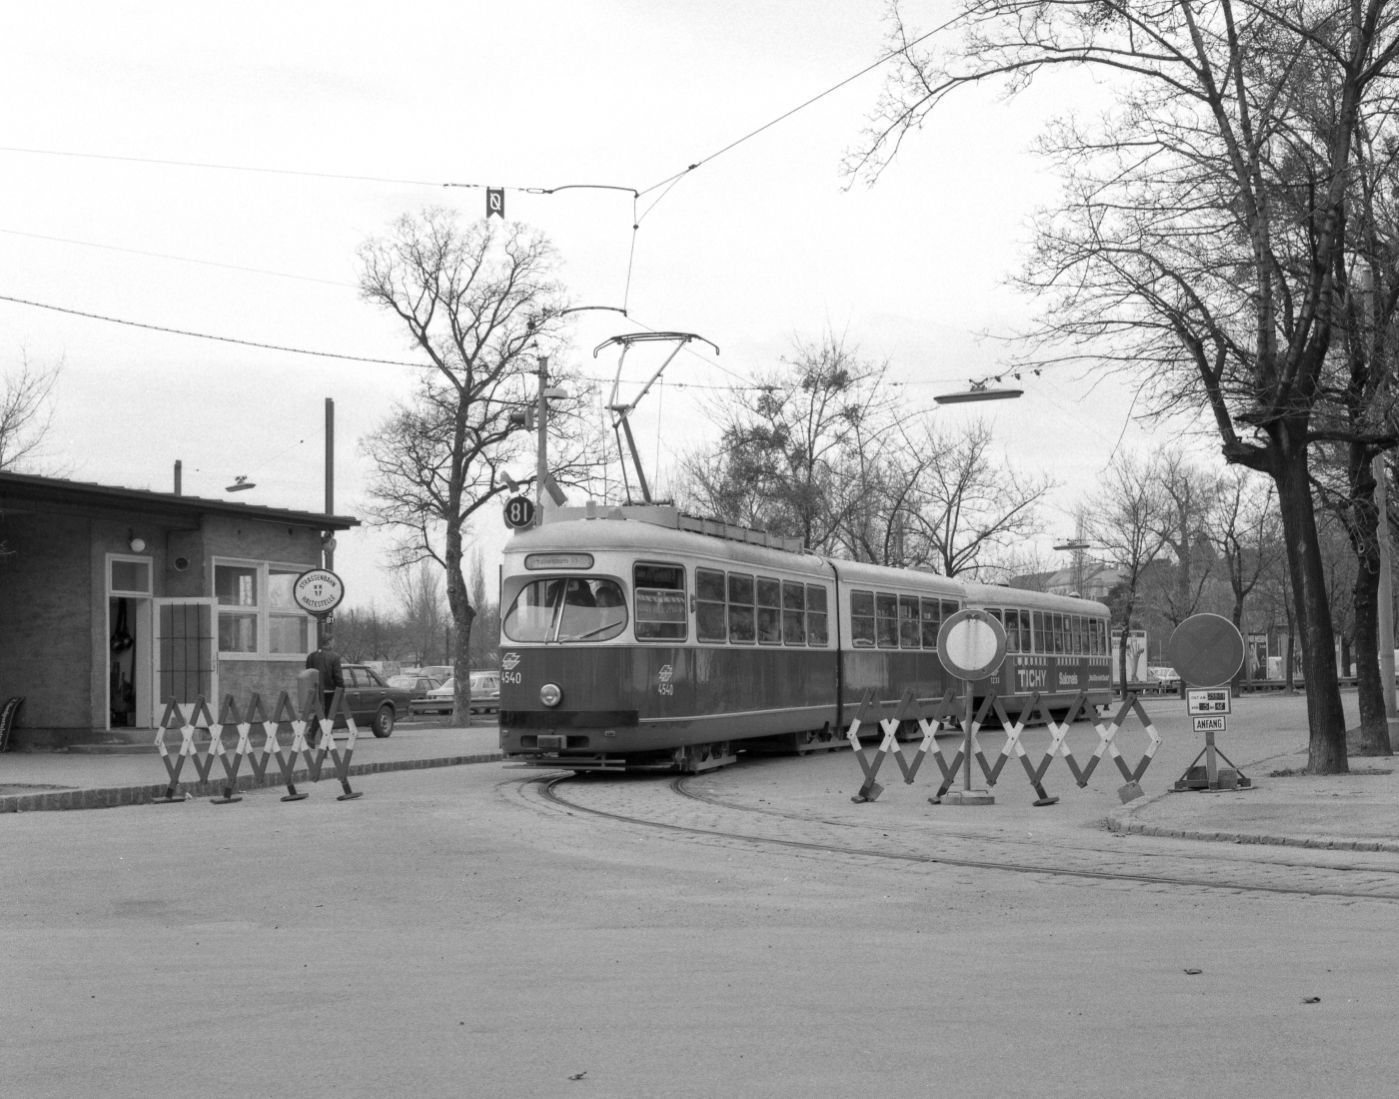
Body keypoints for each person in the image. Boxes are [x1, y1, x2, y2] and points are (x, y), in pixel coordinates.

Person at [305, 635, 345, 743]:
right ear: (329, 642)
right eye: (333, 641)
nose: (334, 643)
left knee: (320, 712)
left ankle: (314, 734)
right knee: (327, 715)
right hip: (330, 691)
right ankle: (322, 738)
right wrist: (341, 689)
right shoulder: (334, 657)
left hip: (315, 690)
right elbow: (338, 676)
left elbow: (308, 673)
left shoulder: (311, 656)